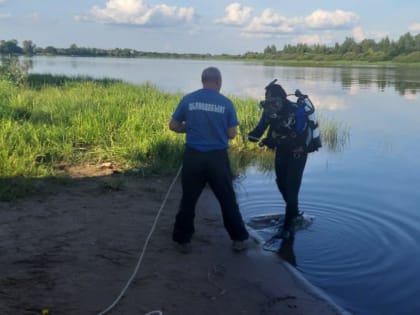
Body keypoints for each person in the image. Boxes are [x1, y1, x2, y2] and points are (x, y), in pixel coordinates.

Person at [169, 66, 249, 253]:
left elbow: (173, 125)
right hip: (217, 159)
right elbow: (231, 134)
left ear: (203, 80)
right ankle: (239, 239)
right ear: (218, 82)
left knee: (188, 199)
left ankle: (182, 240)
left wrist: (187, 128)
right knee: (227, 199)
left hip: (193, 157)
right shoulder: (226, 103)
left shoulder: (188, 99)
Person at [248, 80, 320, 239]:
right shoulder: (268, 112)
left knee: (292, 188)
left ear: (281, 99)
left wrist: (273, 142)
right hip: (282, 152)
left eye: (273, 101)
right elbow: (258, 131)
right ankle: (293, 213)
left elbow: (298, 141)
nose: (271, 105)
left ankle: (287, 228)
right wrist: (250, 136)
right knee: (280, 183)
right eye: (268, 101)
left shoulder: (296, 112)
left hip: (298, 153)